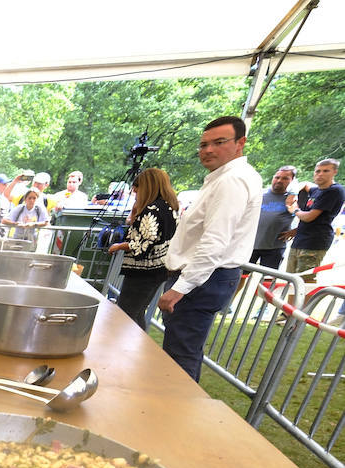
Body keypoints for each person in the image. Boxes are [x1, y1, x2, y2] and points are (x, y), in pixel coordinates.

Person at [159, 116, 261, 381]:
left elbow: (215, 240)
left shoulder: (232, 180)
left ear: (241, 143)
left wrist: (180, 288)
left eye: (219, 142)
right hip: (205, 277)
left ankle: (176, 414)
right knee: (181, 351)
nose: (208, 150)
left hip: (203, 278)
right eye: (203, 144)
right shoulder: (223, 178)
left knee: (180, 356)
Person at [108, 167, 178, 328]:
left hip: (142, 272)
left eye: (137, 189)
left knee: (126, 314)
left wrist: (119, 246)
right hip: (158, 270)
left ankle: (129, 347)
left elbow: (142, 245)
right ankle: (139, 346)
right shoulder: (169, 208)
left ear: (146, 187)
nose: (135, 193)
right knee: (137, 312)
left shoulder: (151, 211)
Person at [284, 158, 343, 275]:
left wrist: (295, 209)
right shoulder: (317, 190)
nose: (320, 174)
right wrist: (294, 193)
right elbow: (305, 184)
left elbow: (310, 217)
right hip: (300, 240)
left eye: (326, 171)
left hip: (314, 243)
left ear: (334, 172)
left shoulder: (334, 191)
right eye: (317, 171)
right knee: (289, 280)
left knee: (303, 282)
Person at [249, 166, 298, 270]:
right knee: (240, 277)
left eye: (285, 178)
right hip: (250, 245)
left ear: (292, 181)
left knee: (266, 281)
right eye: (277, 177)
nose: (279, 181)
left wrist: (296, 230)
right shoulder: (259, 194)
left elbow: (310, 218)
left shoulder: (293, 199)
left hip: (274, 248)